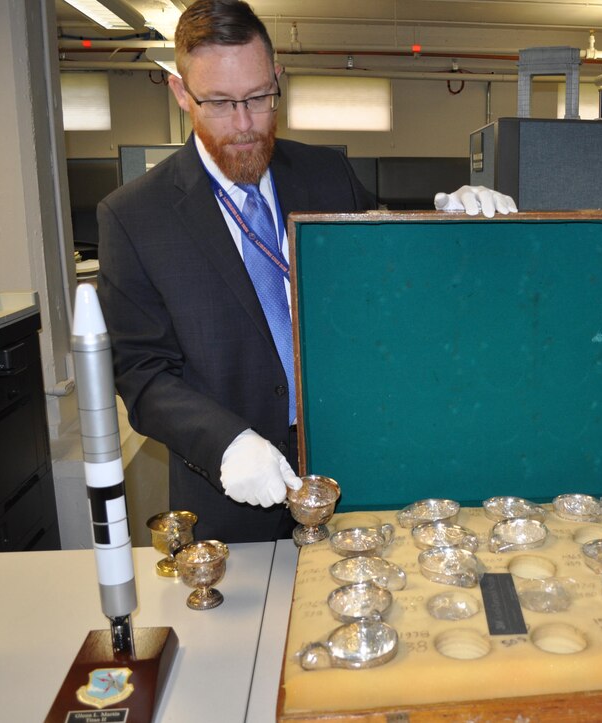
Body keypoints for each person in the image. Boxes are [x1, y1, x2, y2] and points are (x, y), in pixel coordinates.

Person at [96, 0, 515, 543]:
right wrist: (226, 442)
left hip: (352, 467)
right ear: (181, 93)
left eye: (259, 98)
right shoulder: (134, 216)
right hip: (231, 489)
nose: (244, 125)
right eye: (220, 104)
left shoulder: (327, 174)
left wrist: (451, 225)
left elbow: (389, 271)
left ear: (278, 79)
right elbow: (142, 374)